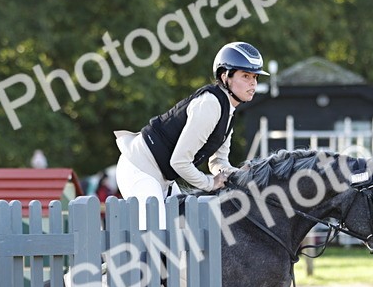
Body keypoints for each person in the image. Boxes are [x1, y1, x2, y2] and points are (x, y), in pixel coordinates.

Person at [114, 41, 267, 227]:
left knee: (184, 230)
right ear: (225, 76)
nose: (253, 83)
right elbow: (179, 161)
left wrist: (239, 175)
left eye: (255, 77)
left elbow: (218, 163)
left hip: (163, 178)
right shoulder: (210, 105)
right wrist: (210, 183)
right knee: (159, 237)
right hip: (138, 169)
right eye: (245, 76)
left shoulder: (229, 112)